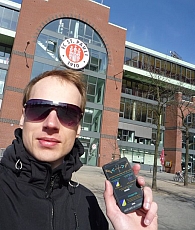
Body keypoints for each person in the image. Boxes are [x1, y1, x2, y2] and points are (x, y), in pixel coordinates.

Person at [0, 69, 158, 230]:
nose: (51, 124)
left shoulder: (88, 205)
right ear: (22, 117)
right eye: (38, 108)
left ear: (78, 129)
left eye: (68, 113)